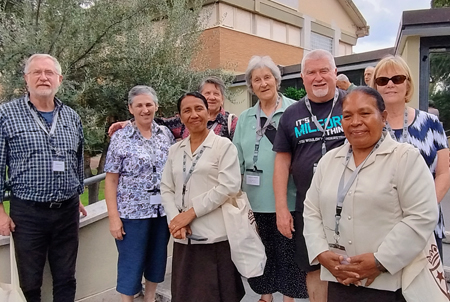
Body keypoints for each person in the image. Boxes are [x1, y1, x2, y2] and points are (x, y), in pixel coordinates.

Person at [303, 87, 438, 301]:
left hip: (388, 283)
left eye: (365, 113)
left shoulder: (405, 158)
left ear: (383, 117)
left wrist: (380, 261)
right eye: (347, 116)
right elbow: (311, 210)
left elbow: (421, 216)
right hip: (339, 278)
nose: (355, 122)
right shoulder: (329, 161)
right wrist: (321, 253)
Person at [0, 54, 87, 302]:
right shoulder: (6, 114)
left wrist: (77, 193)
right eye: (36, 72)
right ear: (26, 79)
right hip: (28, 214)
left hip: (67, 211)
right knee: (29, 283)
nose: (43, 77)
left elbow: (77, 160)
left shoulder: (71, 116)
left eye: (49, 73)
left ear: (59, 79)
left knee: (66, 279)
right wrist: (0, 212)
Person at [273, 49, 347, 302]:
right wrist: (282, 209)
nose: (318, 77)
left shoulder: (352, 104)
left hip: (351, 204)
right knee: (313, 264)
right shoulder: (291, 115)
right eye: (311, 72)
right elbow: (282, 163)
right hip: (309, 207)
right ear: (302, 77)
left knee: (351, 262)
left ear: (335, 73)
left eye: (324, 70)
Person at [233, 55, 307, 302]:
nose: (263, 83)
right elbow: (237, 160)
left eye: (267, 77)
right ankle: (265, 296)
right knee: (259, 251)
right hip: (254, 199)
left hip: (288, 198)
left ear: (276, 80)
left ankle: (289, 297)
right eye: (256, 80)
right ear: (251, 86)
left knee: (288, 253)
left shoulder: (295, 111)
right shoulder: (244, 119)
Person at [160, 92, 245, 302]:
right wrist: (175, 220)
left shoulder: (223, 146)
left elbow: (229, 186)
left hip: (214, 239)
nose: (193, 114)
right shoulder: (175, 150)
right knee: (185, 295)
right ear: (180, 117)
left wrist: (189, 214)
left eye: (199, 108)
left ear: (209, 113)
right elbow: (166, 187)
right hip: (183, 238)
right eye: (186, 110)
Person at [370, 55, 450, 258]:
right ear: (375, 86)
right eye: (382, 80)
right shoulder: (368, 126)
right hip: (381, 226)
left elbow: (444, 171)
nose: (390, 84)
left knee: (426, 287)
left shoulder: (431, 123)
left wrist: (423, 207)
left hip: (426, 223)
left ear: (408, 84)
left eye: (397, 79)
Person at [104, 85, 175, 302]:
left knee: (157, 258)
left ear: (156, 106)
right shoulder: (120, 137)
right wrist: (114, 218)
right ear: (131, 108)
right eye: (139, 105)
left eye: (148, 104)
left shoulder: (165, 134)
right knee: (131, 261)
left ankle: (150, 298)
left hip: (161, 212)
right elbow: (111, 179)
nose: (145, 109)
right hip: (131, 214)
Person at [108, 76, 238, 140]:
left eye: (216, 94)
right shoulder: (184, 121)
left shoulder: (231, 122)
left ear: (222, 99)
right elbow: (157, 122)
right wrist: (130, 122)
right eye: (207, 93)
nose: (211, 97)